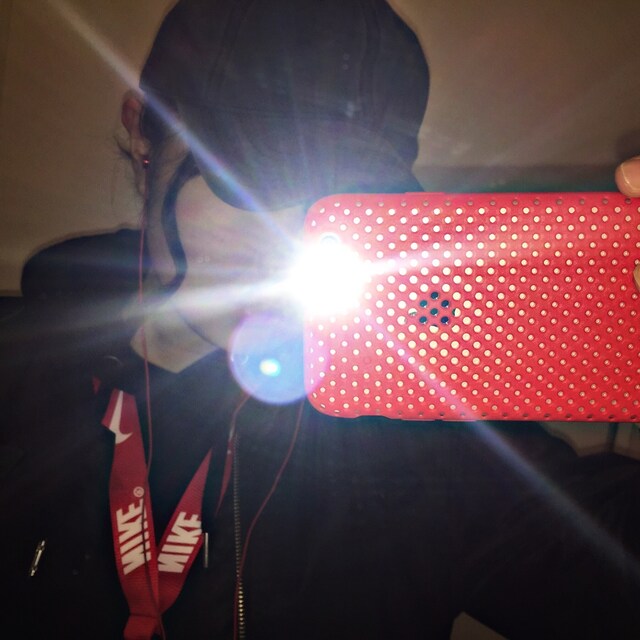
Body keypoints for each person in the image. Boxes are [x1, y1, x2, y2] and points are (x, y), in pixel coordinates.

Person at [2, 1, 640, 638]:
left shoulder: (415, 439)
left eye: (342, 196)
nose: (292, 237)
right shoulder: (16, 366)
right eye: (253, 179)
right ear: (145, 137)